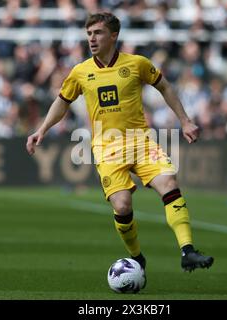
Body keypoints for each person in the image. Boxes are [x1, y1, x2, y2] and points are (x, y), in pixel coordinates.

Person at [26, 12, 214, 273]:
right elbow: (62, 102)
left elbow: (166, 87)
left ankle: (188, 251)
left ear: (113, 35)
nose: (92, 38)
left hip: (141, 142)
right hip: (107, 148)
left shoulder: (137, 64)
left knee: (169, 183)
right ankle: (136, 257)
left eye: (98, 33)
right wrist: (42, 129)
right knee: (123, 205)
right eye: (89, 33)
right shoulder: (80, 72)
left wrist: (185, 120)